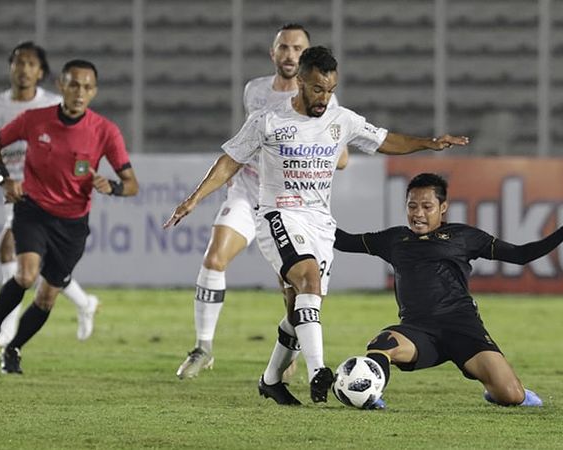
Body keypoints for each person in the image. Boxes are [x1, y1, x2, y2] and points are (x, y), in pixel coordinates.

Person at [164, 46, 469, 405]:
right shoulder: (267, 120)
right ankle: (319, 371)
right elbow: (229, 162)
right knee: (307, 278)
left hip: (320, 224)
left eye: (330, 89)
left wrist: (427, 144)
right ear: (301, 82)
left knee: (300, 309)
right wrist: (194, 199)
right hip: (277, 214)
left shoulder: (341, 119)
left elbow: (385, 139)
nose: (324, 97)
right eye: (317, 89)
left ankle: (271, 380)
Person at [334, 173, 563, 409]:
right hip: (418, 330)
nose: (418, 214)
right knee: (382, 345)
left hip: (463, 328)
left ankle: (505, 391)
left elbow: (520, 255)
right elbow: (344, 241)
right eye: (412, 206)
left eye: (427, 207)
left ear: (443, 207)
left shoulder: (464, 237)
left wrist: (562, 234)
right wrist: (307, 216)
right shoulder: (394, 239)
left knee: (511, 395)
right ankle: (369, 396)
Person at [176, 24, 349, 380]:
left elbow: (342, 155)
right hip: (248, 190)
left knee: (292, 289)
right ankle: (203, 348)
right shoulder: (254, 91)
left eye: (298, 48)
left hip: (291, 201)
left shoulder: (324, 98)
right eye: (283, 47)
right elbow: (245, 143)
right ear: (273, 53)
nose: (289, 54)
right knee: (214, 257)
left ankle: (291, 358)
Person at [0, 59, 139, 374]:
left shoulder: (105, 131)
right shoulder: (35, 119)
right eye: (73, 84)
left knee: (46, 298)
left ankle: (14, 348)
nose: (79, 92)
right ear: (61, 86)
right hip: (33, 210)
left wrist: (111, 186)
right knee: (26, 275)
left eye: (87, 87)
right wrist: (3, 179)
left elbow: (132, 185)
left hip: (72, 225)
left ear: (95, 91)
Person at [0, 42, 100, 345]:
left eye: (30, 63)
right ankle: (83, 302)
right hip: (12, 187)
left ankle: (6, 327)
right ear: (10, 67)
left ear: (41, 71)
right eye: (18, 62)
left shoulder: (52, 104)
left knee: (11, 252)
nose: (23, 69)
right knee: (36, 264)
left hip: (42, 191)